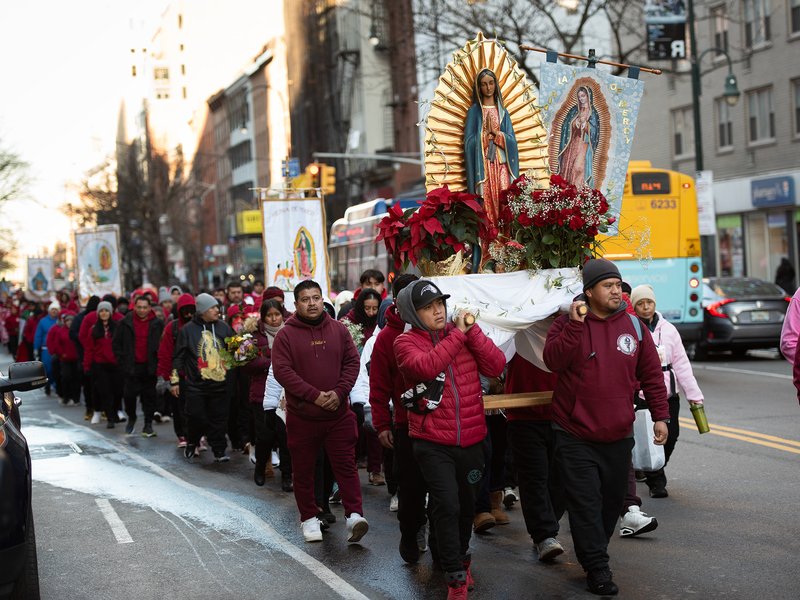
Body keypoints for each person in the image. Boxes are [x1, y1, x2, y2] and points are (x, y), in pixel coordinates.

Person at [543, 258, 669, 596]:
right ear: (589, 292)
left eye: (618, 285)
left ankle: (594, 550)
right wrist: (573, 325)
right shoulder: (566, 324)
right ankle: (597, 566)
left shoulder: (634, 326)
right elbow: (553, 361)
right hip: (574, 434)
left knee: (612, 503)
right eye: (608, 286)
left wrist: (661, 415)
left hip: (617, 434)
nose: (617, 291)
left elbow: (652, 375)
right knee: (584, 504)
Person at [394, 279, 506, 599]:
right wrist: (459, 334)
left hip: (472, 437)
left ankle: (461, 559)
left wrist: (473, 332)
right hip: (432, 441)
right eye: (428, 308)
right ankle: (455, 577)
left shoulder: (460, 334)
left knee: (466, 506)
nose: (438, 311)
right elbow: (427, 367)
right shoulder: (406, 342)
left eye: (440, 304)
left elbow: (496, 365)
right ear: (413, 314)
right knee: (447, 504)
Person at [270, 280, 367, 544]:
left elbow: (351, 362)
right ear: (296, 304)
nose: (312, 303)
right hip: (303, 417)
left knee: (346, 466)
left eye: (316, 297)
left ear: (323, 299)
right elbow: (283, 372)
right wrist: (314, 396)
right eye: (305, 299)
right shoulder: (285, 335)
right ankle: (309, 518)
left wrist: (338, 393)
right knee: (304, 470)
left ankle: (354, 515)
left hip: (338, 414)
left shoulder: (338, 330)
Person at [368, 274, 433, 564]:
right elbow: (379, 385)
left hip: (440, 423)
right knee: (411, 488)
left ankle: (443, 541)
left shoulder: (436, 327)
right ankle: (411, 532)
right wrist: (382, 423)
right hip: (406, 424)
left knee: (444, 489)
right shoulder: (386, 337)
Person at [630, 284, 704, 497]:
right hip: (643, 395)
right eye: (641, 304)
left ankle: (656, 467)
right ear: (635, 307)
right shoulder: (633, 329)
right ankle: (656, 481)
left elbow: (682, 364)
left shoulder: (669, 330)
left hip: (669, 394)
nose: (646, 308)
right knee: (649, 438)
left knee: (671, 436)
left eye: (649, 303)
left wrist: (694, 396)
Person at [504, 354, 566, 561]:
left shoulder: (571, 321)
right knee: (534, 477)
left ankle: (549, 524)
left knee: (561, 478)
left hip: (564, 410)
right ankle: (544, 534)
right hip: (523, 410)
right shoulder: (518, 320)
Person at [173, 293, 235, 462]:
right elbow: (178, 357)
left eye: (217, 307)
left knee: (219, 419)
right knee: (196, 417)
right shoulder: (187, 330)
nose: (217, 310)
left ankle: (219, 450)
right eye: (213, 307)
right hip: (196, 386)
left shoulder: (223, 327)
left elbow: (234, 349)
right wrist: (174, 380)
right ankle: (192, 441)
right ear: (202, 311)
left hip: (220, 385)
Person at [245, 299, 292, 491]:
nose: (274, 319)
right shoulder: (252, 338)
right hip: (261, 393)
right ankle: (260, 467)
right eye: (269, 316)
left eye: (277, 314)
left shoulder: (289, 333)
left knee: (285, 437)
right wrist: (274, 362)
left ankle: (287, 476)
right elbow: (249, 364)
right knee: (264, 435)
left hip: (286, 394)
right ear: (263, 318)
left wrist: (270, 360)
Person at [464, 68, 519, 229]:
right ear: (478, 88)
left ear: (495, 84)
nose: (488, 88)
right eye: (483, 85)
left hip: (502, 164)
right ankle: (490, 246)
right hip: (484, 165)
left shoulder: (503, 112)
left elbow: (512, 142)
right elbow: (468, 142)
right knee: (486, 203)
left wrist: (498, 135)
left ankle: (505, 242)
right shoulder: (475, 112)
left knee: (504, 198)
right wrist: (483, 138)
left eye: (491, 83)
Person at [113, 294, 165, 436]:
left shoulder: (157, 324)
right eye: (139, 307)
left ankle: (148, 424)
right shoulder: (125, 322)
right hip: (131, 366)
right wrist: (122, 361)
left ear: (149, 308)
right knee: (129, 396)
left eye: (145, 307)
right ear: (134, 307)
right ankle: (132, 417)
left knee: (149, 396)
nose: (142, 310)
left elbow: (163, 344)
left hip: (150, 366)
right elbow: (116, 344)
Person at [156, 293, 196, 448]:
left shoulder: (200, 326)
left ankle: (197, 435)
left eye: (191, 310)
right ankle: (182, 435)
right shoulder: (171, 328)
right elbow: (165, 354)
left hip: (197, 373)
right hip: (177, 374)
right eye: (185, 311)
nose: (188, 314)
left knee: (196, 407)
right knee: (179, 407)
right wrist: (166, 377)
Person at [83, 301, 122, 426]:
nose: (104, 313)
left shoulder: (117, 327)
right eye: (101, 311)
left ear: (110, 312)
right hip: (100, 365)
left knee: (117, 390)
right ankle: (110, 417)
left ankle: (115, 412)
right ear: (98, 313)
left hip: (116, 364)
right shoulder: (94, 330)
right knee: (105, 392)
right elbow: (89, 349)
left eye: (106, 311)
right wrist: (87, 365)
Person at [556, 85, 600, 189]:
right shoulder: (574, 110)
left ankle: (578, 192)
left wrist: (587, 126)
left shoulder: (593, 113)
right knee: (568, 168)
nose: (581, 98)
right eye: (579, 96)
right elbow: (565, 125)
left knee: (578, 168)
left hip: (584, 144)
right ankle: (567, 192)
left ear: (588, 97)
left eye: (583, 96)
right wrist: (574, 123)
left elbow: (595, 131)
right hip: (572, 144)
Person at [34, 300, 61, 395]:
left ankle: (56, 386)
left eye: (56, 310)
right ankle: (48, 385)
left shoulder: (60, 321)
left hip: (58, 349)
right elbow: (38, 335)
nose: (54, 311)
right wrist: (36, 348)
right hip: (46, 349)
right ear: (49, 311)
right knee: (47, 369)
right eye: (52, 309)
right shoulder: (43, 321)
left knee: (57, 369)